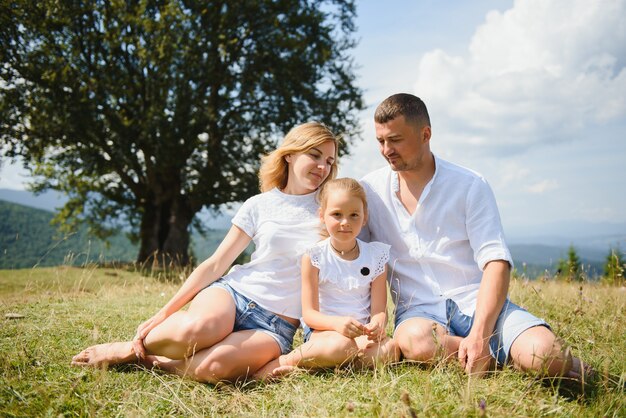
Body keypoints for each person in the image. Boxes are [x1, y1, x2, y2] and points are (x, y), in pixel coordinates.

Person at [72, 121, 339, 384]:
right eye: (314, 155)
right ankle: (133, 345)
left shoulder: (331, 209)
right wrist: (165, 312)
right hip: (233, 295)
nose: (322, 167)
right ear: (290, 154)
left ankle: (145, 360)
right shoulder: (259, 204)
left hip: (274, 325)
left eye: (329, 161)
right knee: (195, 329)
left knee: (214, 366)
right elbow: (216, 264)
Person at [360, 93, 586, 379]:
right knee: (416, 342)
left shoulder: (469, 184)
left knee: (550, 356)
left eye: (396, 140)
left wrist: (479, 334)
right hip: (419, 315)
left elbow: (496, 262)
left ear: (425, 134)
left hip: (476, 303)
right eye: (380, 141)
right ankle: (503, 361)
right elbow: (353, 253)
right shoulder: (370, 190)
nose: (386, 149)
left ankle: (507, 355)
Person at [254, 178, 399, 380]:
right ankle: (286, 361)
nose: (345, 222)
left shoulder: (375, 256)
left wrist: (377, 325)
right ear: (322, 215)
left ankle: (319, 368)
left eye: (354, 215)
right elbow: (310, 314)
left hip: (361, 337)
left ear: (364, 217)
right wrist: (337, 324)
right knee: (340, 346)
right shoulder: (314, 257)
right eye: (336, 214)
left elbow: (379, 311)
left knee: (390, 349)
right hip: (324, 334)